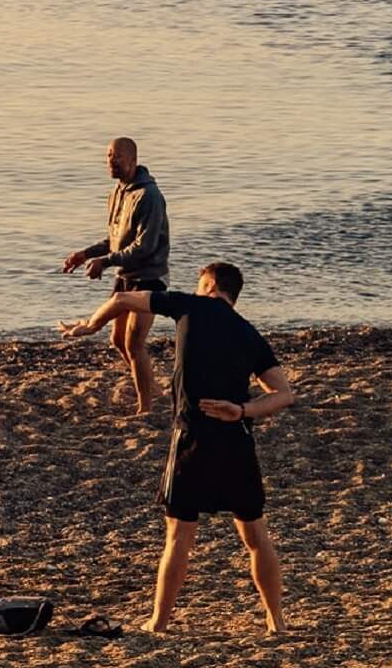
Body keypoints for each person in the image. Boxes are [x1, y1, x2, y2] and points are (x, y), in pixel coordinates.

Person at [62, 262, 294, 635]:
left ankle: (159, 621)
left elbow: (123, 298)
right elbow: (283, 394)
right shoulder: (249, 333)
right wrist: (242, 411)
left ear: (209, 286)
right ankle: (276, 621)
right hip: (237, 441)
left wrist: (91, 325)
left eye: (200, 284)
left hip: (192, 439)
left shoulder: (191, 305)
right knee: (255, 537)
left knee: (179, 537)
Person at [60, 137, 171, 417]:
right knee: (118, 340)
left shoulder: (150, 197)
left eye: (117, 156)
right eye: (108, 155)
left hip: (149, 277)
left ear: (133, 160)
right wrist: (84, 254)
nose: (111, 161)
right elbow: (115, 240)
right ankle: (154, 389)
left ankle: (145, 407)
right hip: (126, 275)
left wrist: (105, 262)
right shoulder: (118, 193)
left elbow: (143, 247)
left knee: (134, 343)